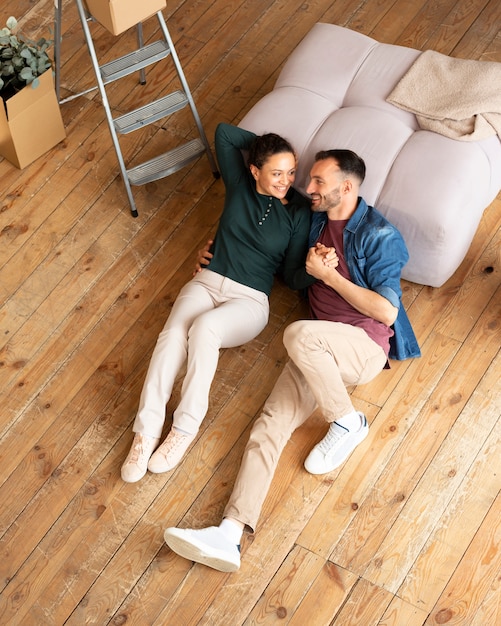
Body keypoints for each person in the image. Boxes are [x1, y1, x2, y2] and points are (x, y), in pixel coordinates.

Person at [163, 148, 420, 572]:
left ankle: (348, 421)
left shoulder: (379, 235)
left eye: (319, 181)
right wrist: (214, 254)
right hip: (316, 351)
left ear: (348, 187)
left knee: (297, 334)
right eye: (310, 179)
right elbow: (274, 259)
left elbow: (388, 313)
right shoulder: (310, 219)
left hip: (360, 346)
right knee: (270, 425)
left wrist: (329, 277)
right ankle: (229, 533)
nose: (309, 188)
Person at [121, 123, 316, 483]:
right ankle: (146, 432)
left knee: (205, 329)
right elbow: (225, 134)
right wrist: (264, 148)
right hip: (208, 281)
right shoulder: (240, 184)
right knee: (172, 335)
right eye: (276, 172)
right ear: (254, 170)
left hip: (250, 301)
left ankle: (184, 428)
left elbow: (290, 276)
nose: (286, 180)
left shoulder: (299, 211)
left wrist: (316, 272)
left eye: (291, 171)